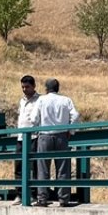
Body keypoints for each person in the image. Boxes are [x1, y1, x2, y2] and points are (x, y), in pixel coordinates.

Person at [29, 78, 81, 207]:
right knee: (63, 168)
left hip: (45, 136)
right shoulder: (66, 100)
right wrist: (71, 130)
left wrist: (37, 127)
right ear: (58, 88)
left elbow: (34, 118)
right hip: (61, 136)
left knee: (43, 169)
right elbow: (75, 115)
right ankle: (64, 199)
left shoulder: (41, 100)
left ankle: (42, 198)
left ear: (46, 88)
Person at [14, 74, 40, 202]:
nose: (25, 89)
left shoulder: (39, 100)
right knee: (19, 166)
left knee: (34, 166)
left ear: (34, 86)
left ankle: (34, 194)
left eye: (27, 87)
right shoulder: (22, 100)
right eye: (23, 87)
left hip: (34, 136)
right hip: (20, 137)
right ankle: (20, 194)